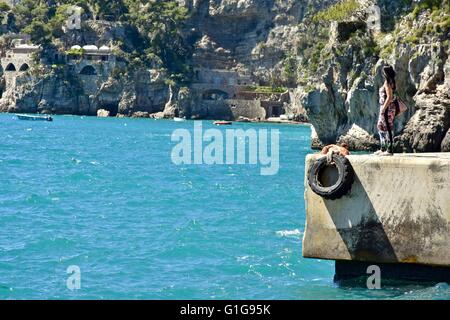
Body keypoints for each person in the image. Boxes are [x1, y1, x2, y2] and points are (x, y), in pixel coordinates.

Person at [375, 65, 397, 156]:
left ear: (386, 73)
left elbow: (390, 97)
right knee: (381, 126)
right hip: (387, 107)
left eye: (383, 72)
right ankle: (383, 148)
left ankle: (389, 150)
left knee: (387, 127)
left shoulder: (388, 83)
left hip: (387, 108)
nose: (382, 73)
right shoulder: (391, 81)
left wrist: (383, 109)